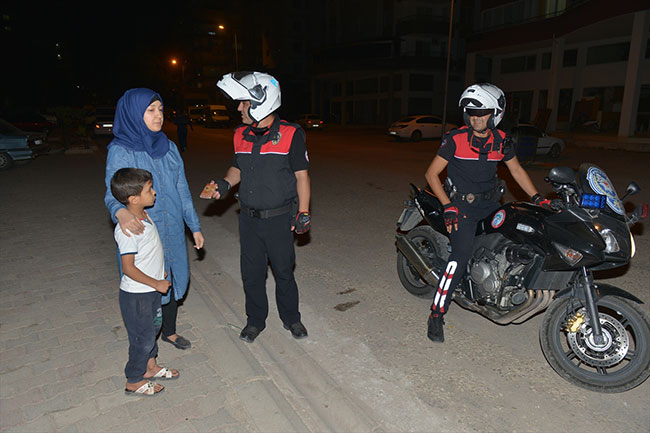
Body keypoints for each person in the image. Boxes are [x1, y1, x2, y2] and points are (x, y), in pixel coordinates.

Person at [424, 83, 550, 343]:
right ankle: (436, 313)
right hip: (461, 206)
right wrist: (448, 206)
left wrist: (538, 198)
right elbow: (431, 174)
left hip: (491, 203)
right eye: (471, 113)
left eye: (481, 113)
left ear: (495, 114)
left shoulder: (502, 141)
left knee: (517, 238)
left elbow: (516, 171)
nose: (475, 118)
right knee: (460, 255)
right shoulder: (455, 139)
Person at [204, 71, 311, 343]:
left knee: (284, 273)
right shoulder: (240, 133)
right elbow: (237, 167)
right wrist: (225, 184)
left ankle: (292, 319)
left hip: (279, 219)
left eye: (243, 102)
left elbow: (301, 176)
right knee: (251, 275)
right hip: (249, 220)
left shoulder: (291, 134)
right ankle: (255, 321)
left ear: (261, 102)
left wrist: (303, 212)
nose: (239, 108)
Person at [105, 88, 204, 351]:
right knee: (147, 285)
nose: (158, 115)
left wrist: (193, 226)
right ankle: (146, 347)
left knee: (170, 276)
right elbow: (111, 191)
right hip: (144, 229)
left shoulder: (169, 147)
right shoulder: (121, 150)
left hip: (171, 225)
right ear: (134, 114)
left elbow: (182, 189)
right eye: (150, 110)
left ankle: (169, 332)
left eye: (160, 109)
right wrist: (120, 211)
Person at [110, 167, 178, 396]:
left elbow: (148, 254)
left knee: (153, 329)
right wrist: (156, 283)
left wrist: (159, 275)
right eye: (150, 190)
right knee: (143, 336)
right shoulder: (128, 230)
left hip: (150, 290)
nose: (155, 193)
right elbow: (128, 268)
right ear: (133, 198)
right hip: (137, 294)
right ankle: (134, 379)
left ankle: (150, 367)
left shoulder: (144, 216)